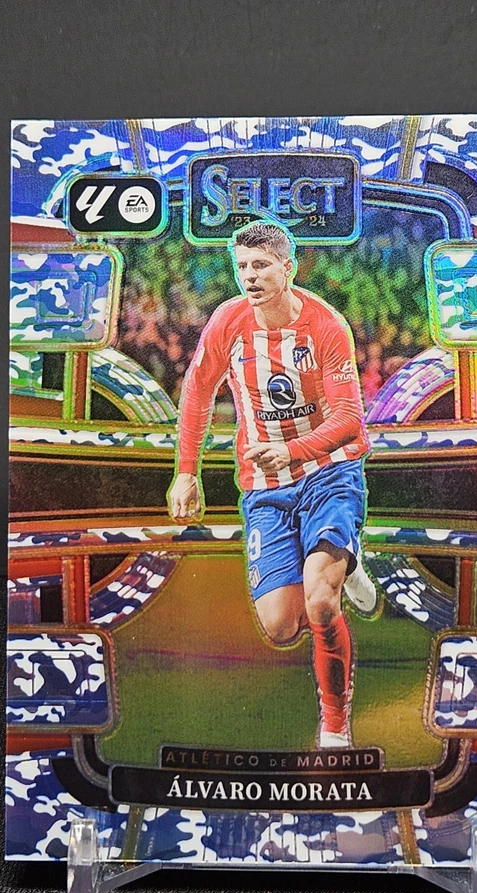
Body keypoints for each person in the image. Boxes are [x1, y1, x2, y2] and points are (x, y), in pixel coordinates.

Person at [168, 221, 377, 748]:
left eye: (260, 265)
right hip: (266, 486)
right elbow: (197, 392)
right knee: (281, 626)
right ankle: (343, 563)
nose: (250, 276)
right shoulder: (228, 322)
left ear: (289, 268)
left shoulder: (326, 326)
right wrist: (187, 472)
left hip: (330, 472)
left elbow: (349, 420)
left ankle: (335, 726)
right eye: (242, 266)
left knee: (320, 603)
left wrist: (294, 449)